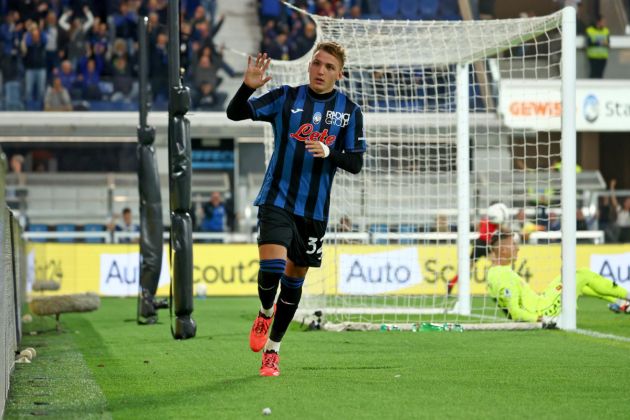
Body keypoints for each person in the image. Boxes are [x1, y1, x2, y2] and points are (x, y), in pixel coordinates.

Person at [226, 42, 366, 376]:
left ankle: (273, 350)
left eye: (329, 67)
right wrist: (248, 86)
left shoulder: (349, 111)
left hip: (314, 213)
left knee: (292, 283)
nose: (320, 71)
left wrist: (330, 151)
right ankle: (263, 311)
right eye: (317, 63)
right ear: (309, 66)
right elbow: (235, 113)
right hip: (277, 199)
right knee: (272, 268)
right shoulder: (286, 97)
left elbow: (357, 163)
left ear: (339, 74)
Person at [487, 230, 630, 324]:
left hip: (541, 302)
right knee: (583, 275)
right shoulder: (504, 276)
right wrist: (544, 319)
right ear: (503, 250)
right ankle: (627, 296)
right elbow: (515, 313)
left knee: (572, 278)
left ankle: (622, 303)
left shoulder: (497, 272)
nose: (517, 248)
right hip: (544, 310)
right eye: (513, 244)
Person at [447, 202, 508, 295]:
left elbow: (478, 228)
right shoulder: (495, 221)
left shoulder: (485, 219)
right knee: (498, 264)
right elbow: (502, 230)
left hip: (478, 243)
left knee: (467, 268)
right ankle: (497, 286)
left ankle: (451, 283)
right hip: (485, 244)